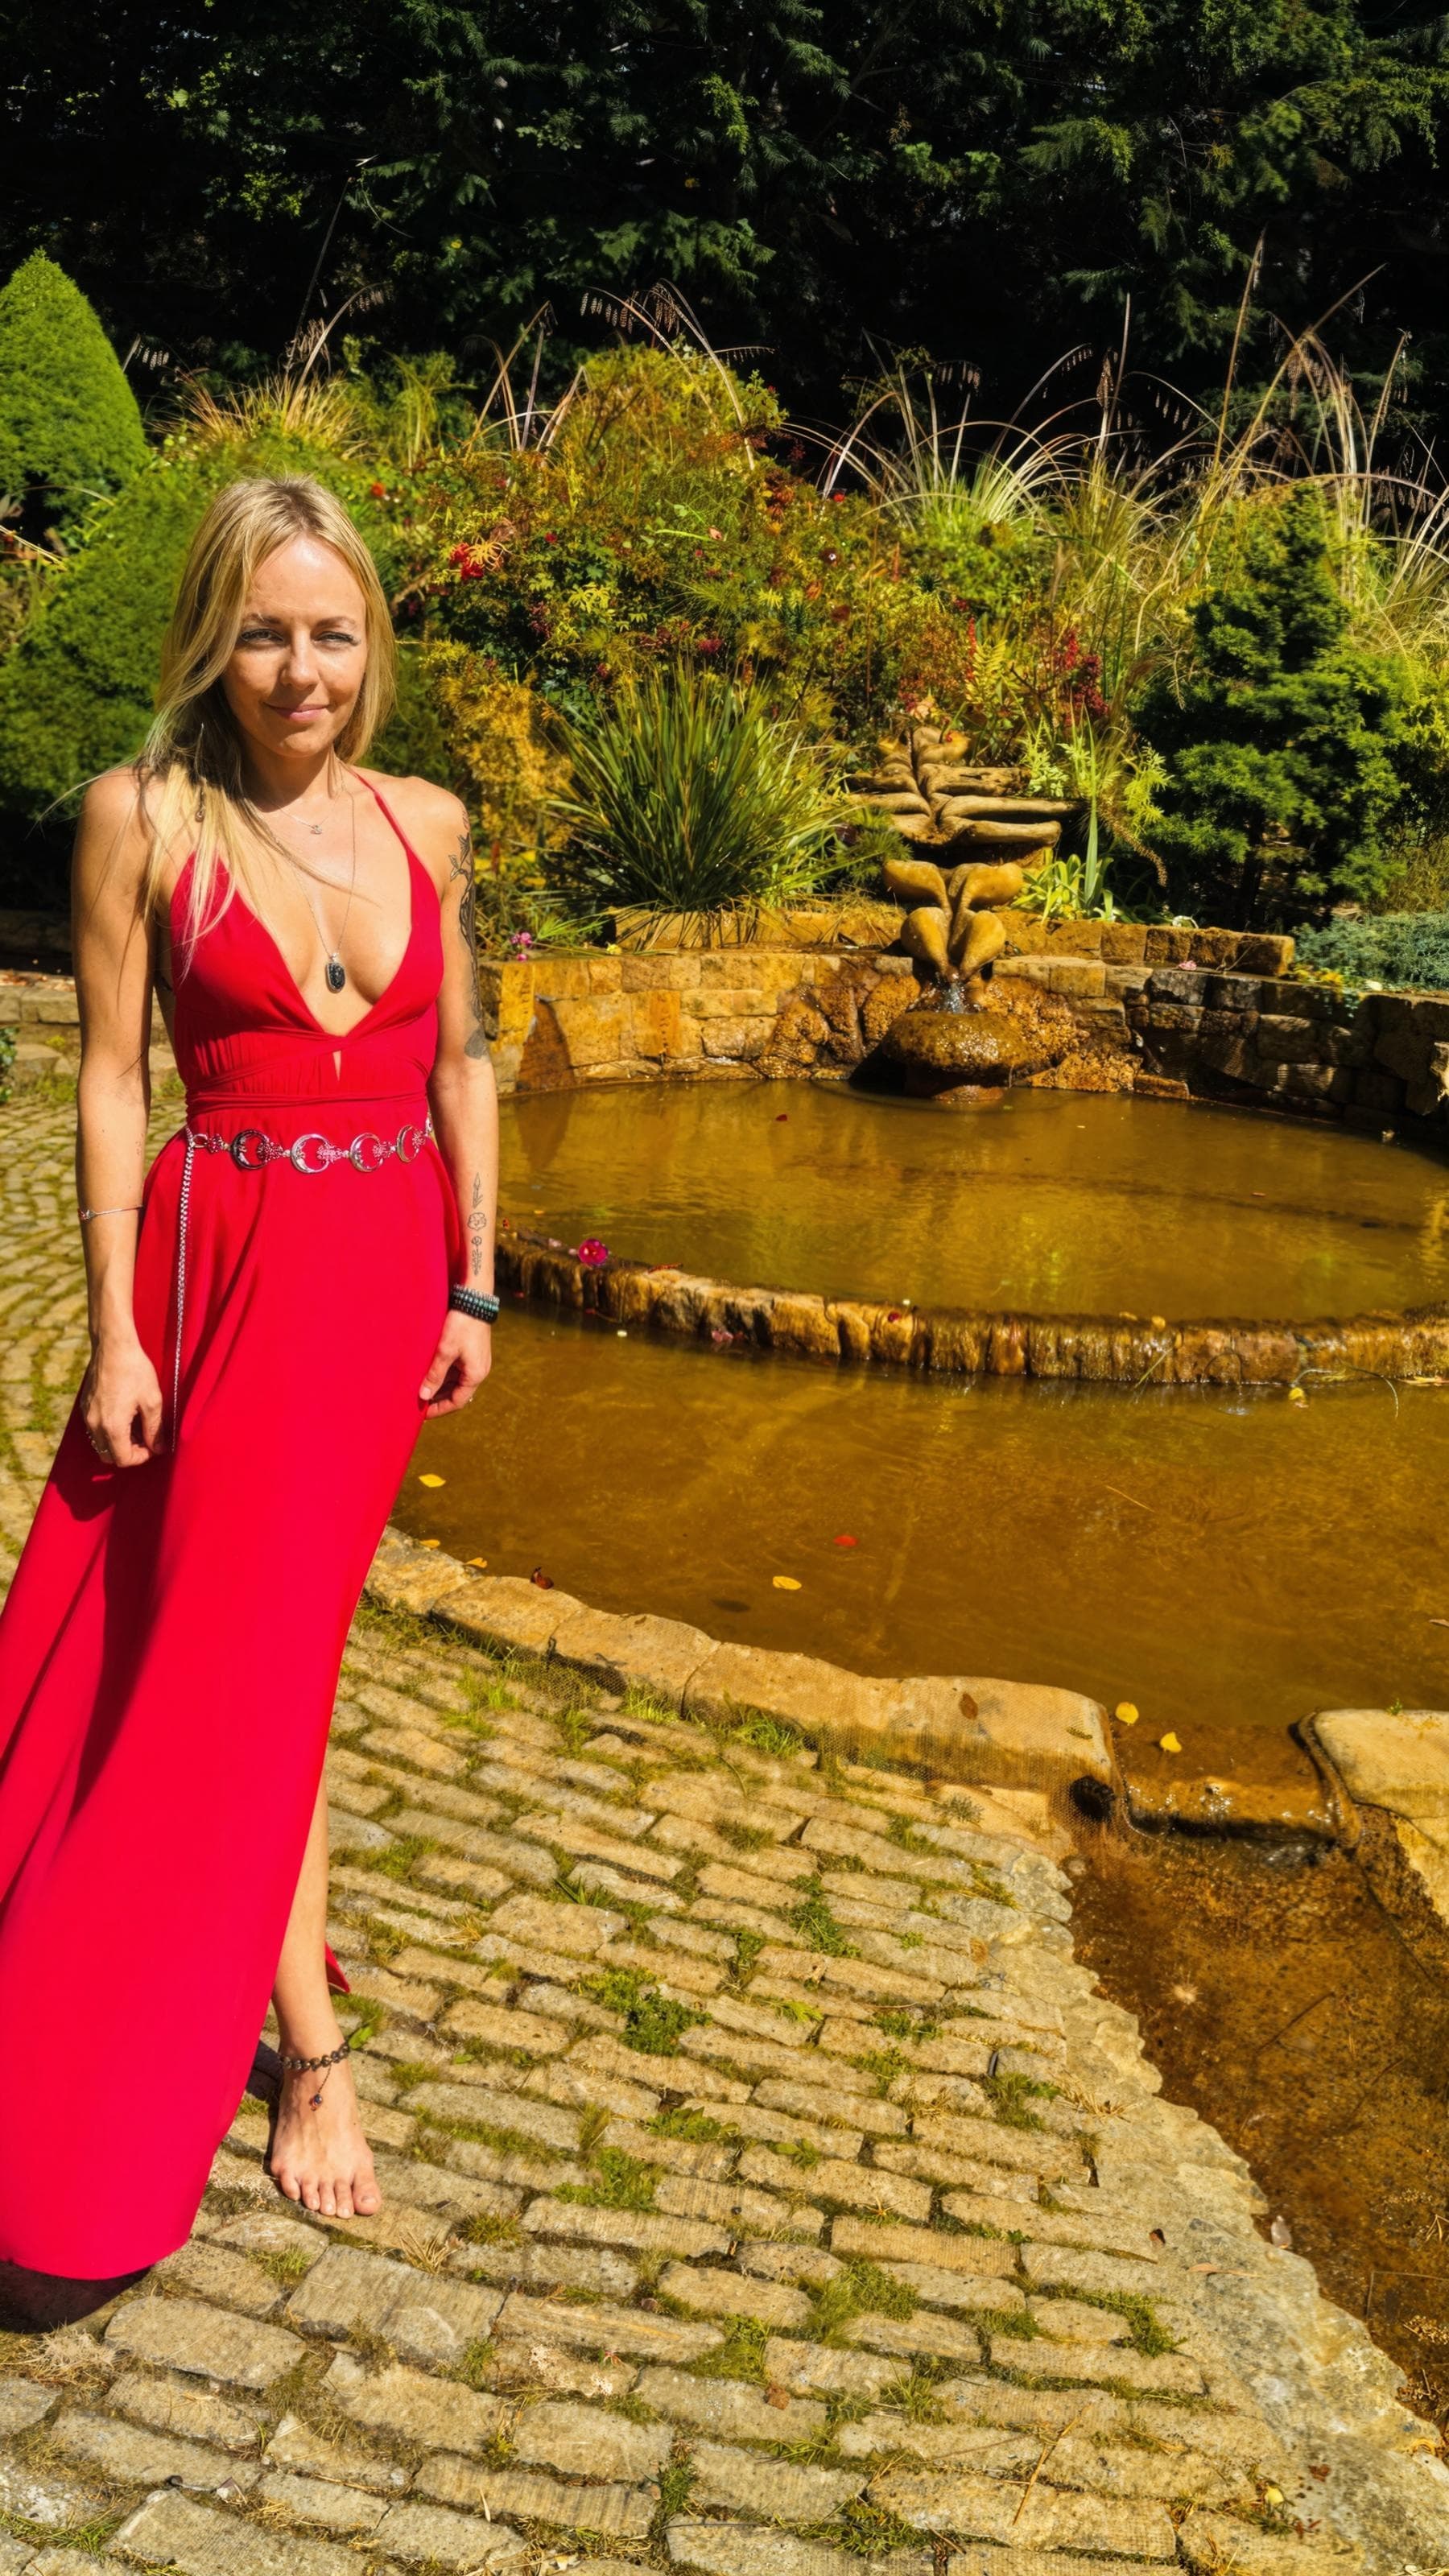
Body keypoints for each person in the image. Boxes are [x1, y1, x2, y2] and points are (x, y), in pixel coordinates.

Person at [0, 474, 498, 2280]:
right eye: (269, 632)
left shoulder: (427, 820)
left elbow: (463, 1066)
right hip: (227, 1275)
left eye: (334, 632)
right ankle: (309, 2056)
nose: (303, 669)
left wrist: (482, 1283)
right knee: (251, 1652)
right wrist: (120, 1326)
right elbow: (113, 1083)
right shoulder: (145, 818)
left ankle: (274, 1986)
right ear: (216, 639)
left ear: (374, 642)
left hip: (382, 1284)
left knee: (293, 1642)